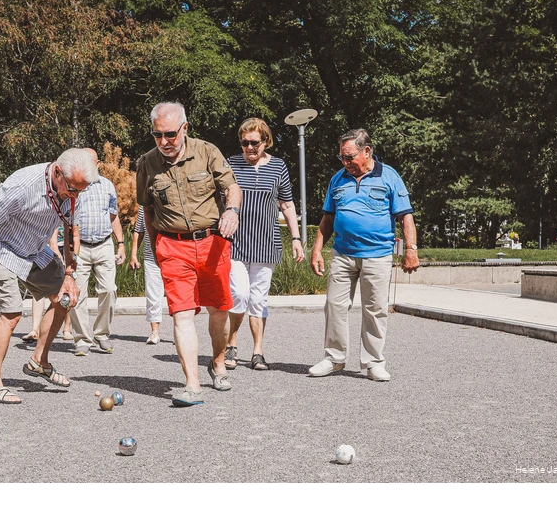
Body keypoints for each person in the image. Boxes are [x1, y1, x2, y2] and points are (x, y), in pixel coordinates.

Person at [0, 147, 98, 404]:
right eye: (72, 189)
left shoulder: (73, 189)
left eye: (80, 191)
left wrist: (69, 272)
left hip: (35, 251)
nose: (75, 195)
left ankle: (39, 361)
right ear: (57, 172)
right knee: (12, 313)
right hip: (2, 249)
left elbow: (70, 228)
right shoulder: (24, 184)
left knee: (65, 298)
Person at [135, 101, 241, 407]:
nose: (164, 141)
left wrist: (232, 211)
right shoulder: (146, 164)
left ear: (184, 128)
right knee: (181, 315)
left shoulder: (207, 151)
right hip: (172, 246)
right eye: (157, 135)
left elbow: (232, 187)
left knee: (218, 311)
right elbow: (147, 207)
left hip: (212, 243)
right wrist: (155, 248)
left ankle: (218, 362)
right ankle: (192, 384)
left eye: (170, 134)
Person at [308, 128, 420, 382]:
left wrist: (411, 250)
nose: (346, 163)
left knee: (375, 309)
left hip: (377, 255)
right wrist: (317, 250)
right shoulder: (338, 179)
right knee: (334, 306)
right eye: (342, 158)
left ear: (367, 151)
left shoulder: (389, 176)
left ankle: (374, 363)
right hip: (343, 254)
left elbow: (405, 217)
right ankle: (334, 359)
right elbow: (328, 219)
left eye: (350, 157)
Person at [224, 118, 305, 371]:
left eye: (254, 143)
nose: (249, 148)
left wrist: (296, 238)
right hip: (235, 242)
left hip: (266, 242)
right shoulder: (231, 164)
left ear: (266, 141)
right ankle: (231, 342)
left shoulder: (278, 167)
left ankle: (258, 351)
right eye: (245, 142)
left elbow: (287, 205)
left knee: (259, 299)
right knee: (239, 294)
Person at [68, 148, 126, 356]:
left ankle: (102, 334)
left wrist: (121, 243)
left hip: (104, 244)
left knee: (109, 289)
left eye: (89, 162)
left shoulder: (107, 186)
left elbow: (114, 216)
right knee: (77, 294)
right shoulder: (74, 185)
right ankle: (82, 338)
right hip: (80, 247)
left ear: (98, 164)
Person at [24, 228, 74, 343]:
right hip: (46, 247)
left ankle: (67, 328)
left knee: (67, 288)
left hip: (66, 244)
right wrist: (53, 246)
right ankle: (35, 329)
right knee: (39, 289)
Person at [129, 206, 164, 345]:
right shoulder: (145, 205)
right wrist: (133, 255)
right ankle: (155, 331)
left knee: (178, 295)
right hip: (150, 256)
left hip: (173, 255)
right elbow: (139, 231)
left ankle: (180, 329)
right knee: (153, 295)